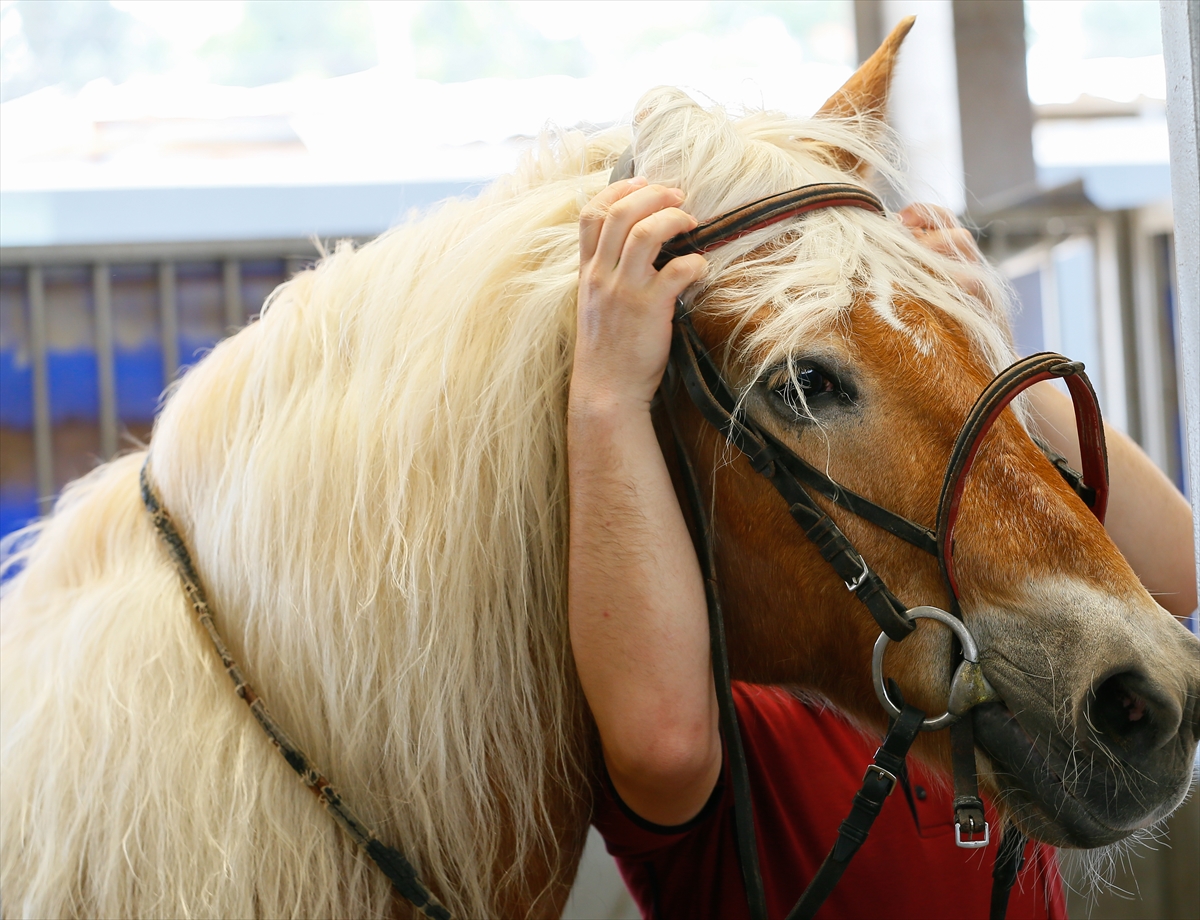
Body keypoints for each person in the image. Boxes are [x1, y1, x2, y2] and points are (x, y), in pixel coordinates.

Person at [567, 177, 1198, 919]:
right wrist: (606, 396)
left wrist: (975, 349)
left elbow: (1177, 574)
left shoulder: (946, 668)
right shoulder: (703, 712)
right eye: (805, 391)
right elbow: (663, 748)